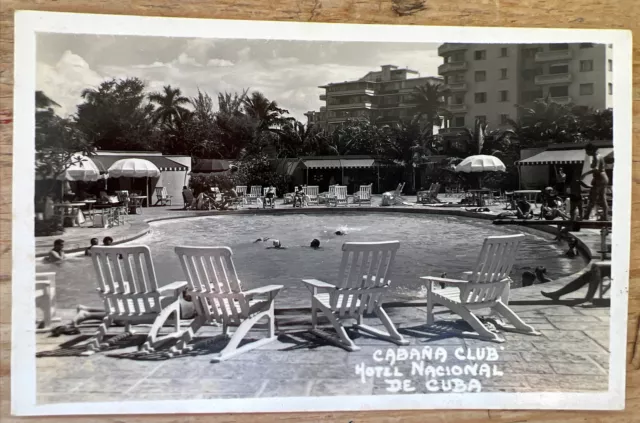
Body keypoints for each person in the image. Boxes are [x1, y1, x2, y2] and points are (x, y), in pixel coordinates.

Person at [582, 143, 610, 221]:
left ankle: (586, 216)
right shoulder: (600, 155)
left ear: (591, 150)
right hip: (603, 178)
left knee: (592, 197)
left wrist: (585, 174)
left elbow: (596, 169)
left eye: (587, 151)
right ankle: (605, 216)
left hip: (599, 178)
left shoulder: (596, 157)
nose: (586, 153)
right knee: (603, 198)